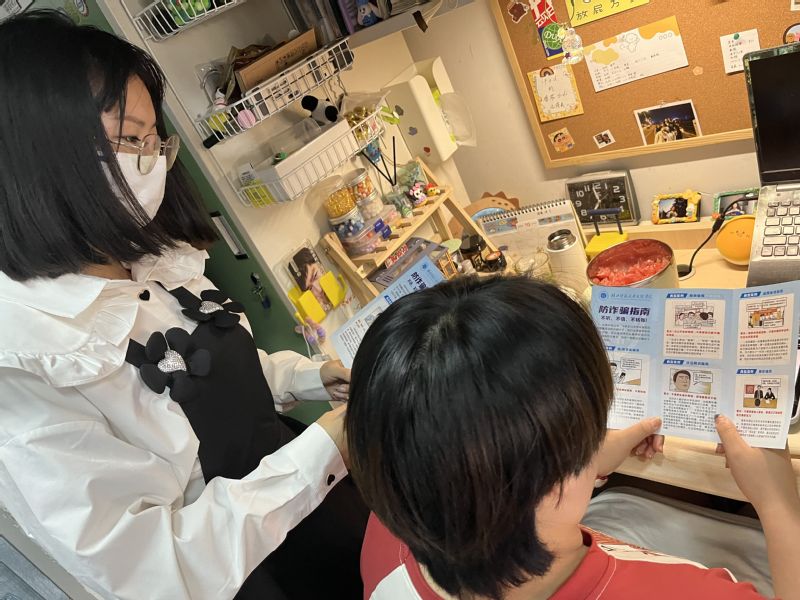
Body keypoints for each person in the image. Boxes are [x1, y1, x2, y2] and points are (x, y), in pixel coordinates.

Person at [0, 11, 366, 600]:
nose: (150, 162)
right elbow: (153, 570)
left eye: (154, 141)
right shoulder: (25, 364)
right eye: (129, 140)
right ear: (37, 153)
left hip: (309, 503)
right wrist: (324, 450)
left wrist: (310, 377)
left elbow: (221, 374)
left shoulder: (150, 260)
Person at [346, 276, 800, 599]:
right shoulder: (689, 592)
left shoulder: (389, 530)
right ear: (554, 484)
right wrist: (780, 508)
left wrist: (575, 460)